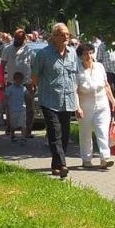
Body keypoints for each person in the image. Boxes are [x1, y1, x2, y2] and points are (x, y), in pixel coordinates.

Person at [32, 23, 81, 179]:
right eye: (62, 34)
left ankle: (56, 166)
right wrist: (43, 88)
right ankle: (63, 164)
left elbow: (75, 78)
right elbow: (35, 76)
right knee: (54, 132)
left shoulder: (73, 53)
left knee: (65, 134)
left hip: (68, 100)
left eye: (67, 34)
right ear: (54, 37)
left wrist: (77, 103)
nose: (65, 37)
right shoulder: (43, 54)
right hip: (49, 100)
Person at [76, 44, 115, 168]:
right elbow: (74, 90)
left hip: (102, 104)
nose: (88, 56)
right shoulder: (77, 70)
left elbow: (106, 85)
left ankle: (105, 158)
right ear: (80, 56)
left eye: (90, 53)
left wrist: (113, 101)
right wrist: (77, 107)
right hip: (85, 105)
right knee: (85, 133)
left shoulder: (99, 67)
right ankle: (86, 159)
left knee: (102, 131)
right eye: (85, 54)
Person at [5, 70, 31, 142]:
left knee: (23, 124)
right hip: (12, 109)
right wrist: (6, 105)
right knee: (13, 125)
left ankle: (23, 138)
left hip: (22, 109)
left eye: (20, 80)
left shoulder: (23, 88)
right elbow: (6, 96)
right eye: (17, 80)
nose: (19, 82)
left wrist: (31, 92)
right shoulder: (10, 88)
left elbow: (28, 96)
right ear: (14, 80)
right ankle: (12, 135)